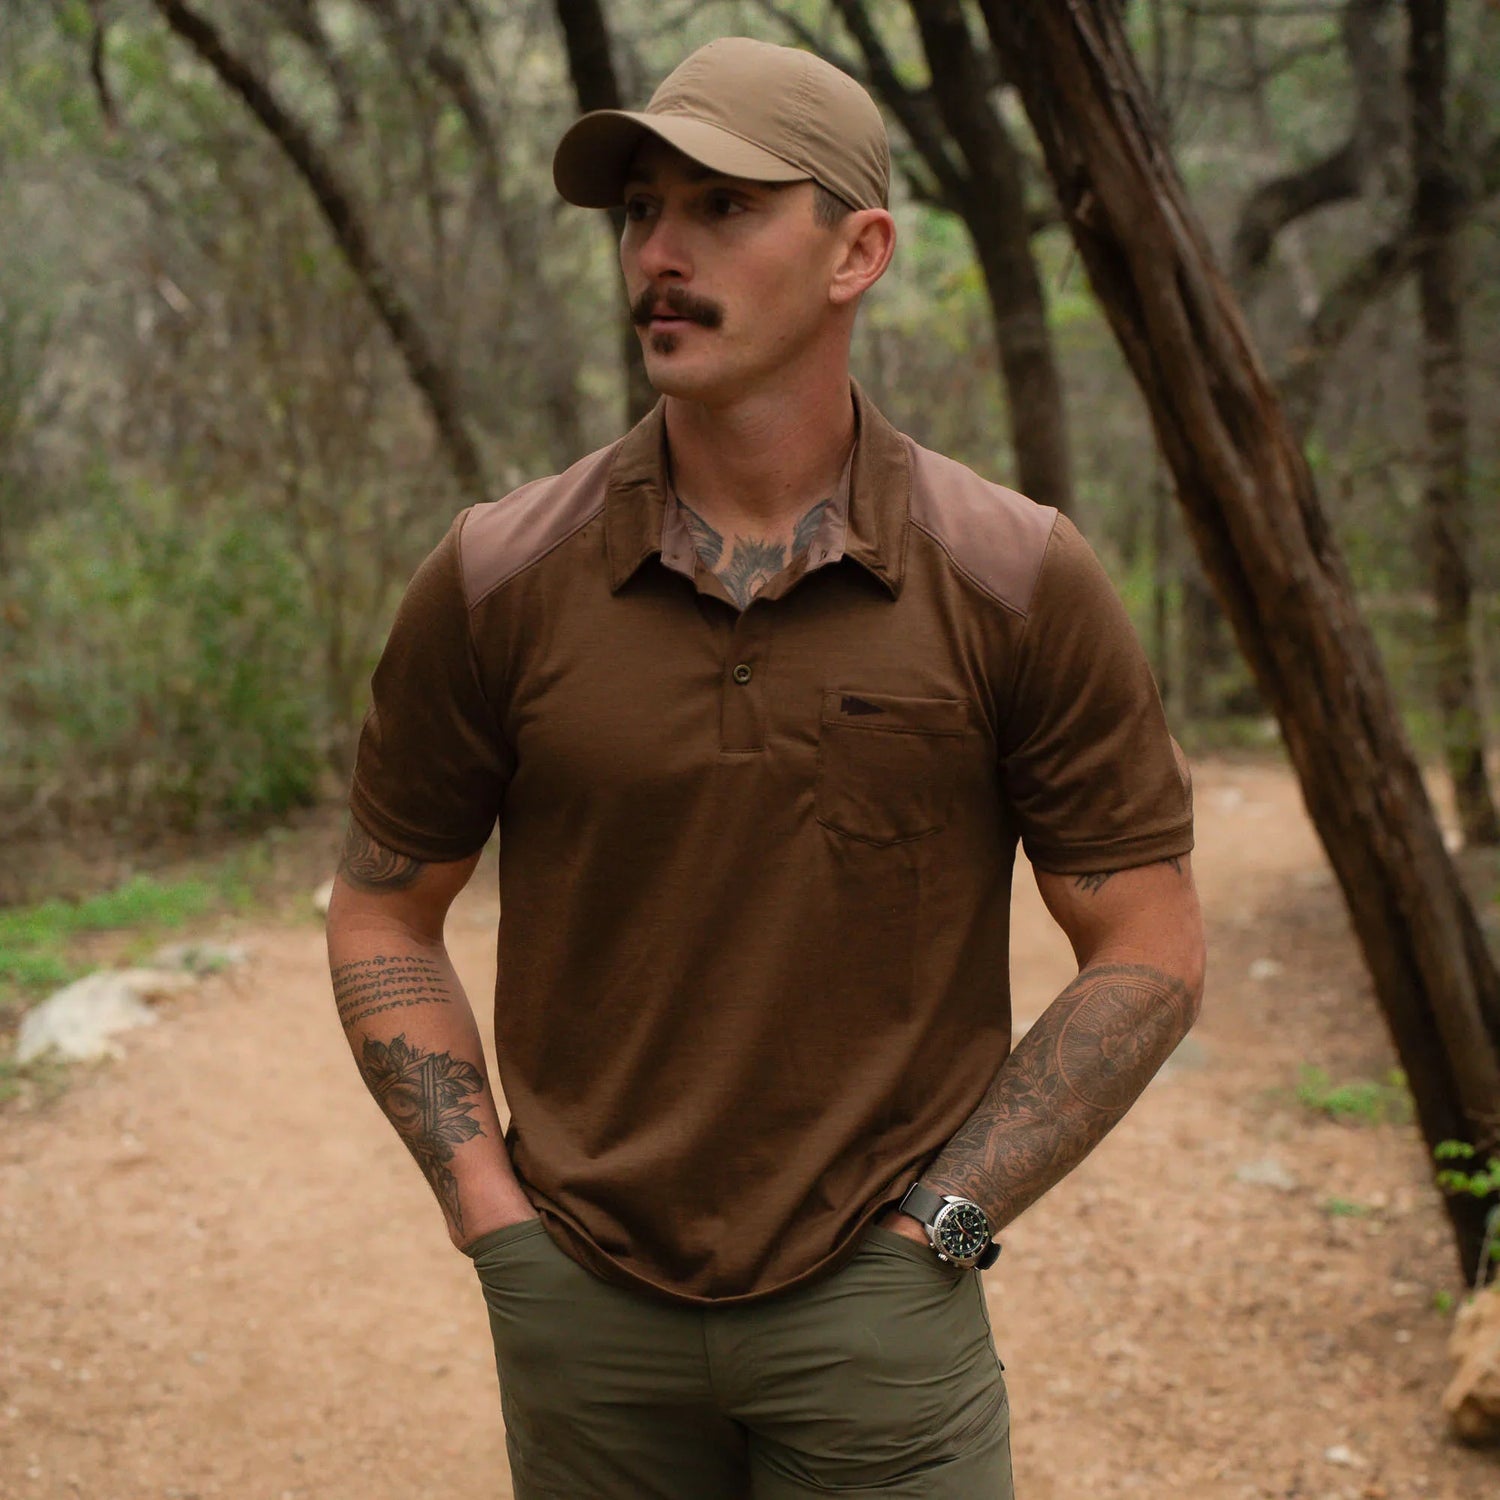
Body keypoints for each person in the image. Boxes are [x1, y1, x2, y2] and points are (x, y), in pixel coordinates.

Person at [325, 34, 1205, 1500]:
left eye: (721, 208)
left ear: (859, 250)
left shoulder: (1011, 578)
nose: (659, 253)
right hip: (583, 1312)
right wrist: (490, 1215)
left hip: (881, 1321)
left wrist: (950, 1233)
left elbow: (1153, 944)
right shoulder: (499, 576)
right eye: (640, 212)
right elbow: (380, 908)